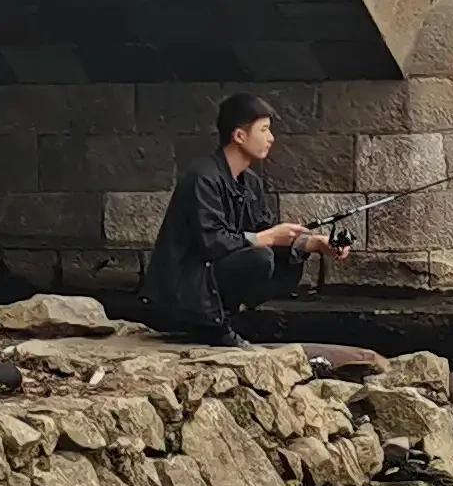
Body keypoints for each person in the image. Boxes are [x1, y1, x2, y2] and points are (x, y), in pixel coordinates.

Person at [138, 92, 344, 344]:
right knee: (260, 256)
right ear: (239, 136)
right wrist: (264, 237)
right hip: (183, 290)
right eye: (265, 130)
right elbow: (212, 242)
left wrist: (317, 243)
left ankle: (222, 319)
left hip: (209, 280)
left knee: (285, 260)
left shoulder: (251, 183)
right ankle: (209, 325)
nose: (271, 138)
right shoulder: (203, 177)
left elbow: (265, 231)